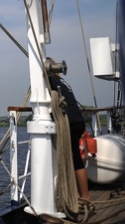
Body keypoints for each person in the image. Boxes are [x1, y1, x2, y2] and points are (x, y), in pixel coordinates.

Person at [47, 58, 90, 202]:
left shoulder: (50, 81)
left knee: (72, 159)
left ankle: (84, 197)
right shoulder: (62, 82)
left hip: (70, 123)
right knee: (73, 157)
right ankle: (77, 195)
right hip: (77, 121)